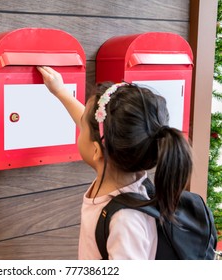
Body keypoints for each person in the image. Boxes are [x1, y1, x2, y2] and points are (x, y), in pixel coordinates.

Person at [37, 66, 193, 260]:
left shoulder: (126, 220)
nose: (80, 128)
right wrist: (60, 91)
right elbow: (92, 126)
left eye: (83, 128)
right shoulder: (124, 174)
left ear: (96, 150)